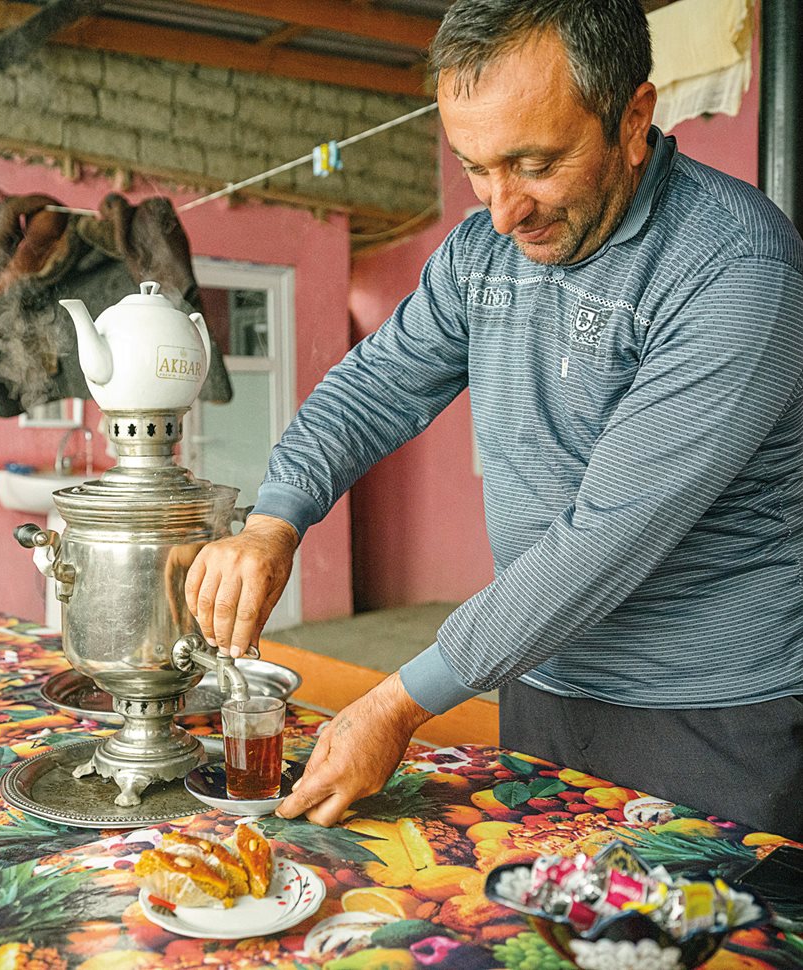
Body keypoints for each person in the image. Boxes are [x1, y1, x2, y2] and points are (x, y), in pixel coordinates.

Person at [185, 0, 803, 838]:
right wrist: (272, 523)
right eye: (476, 168)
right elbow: (375, 387)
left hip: (711, 715)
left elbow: (604, 538)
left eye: (535, 163)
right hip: (540, 679)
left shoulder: (736, 268)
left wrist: (400, 701)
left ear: (633, 118)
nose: (504, 210)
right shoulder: (482, 253)